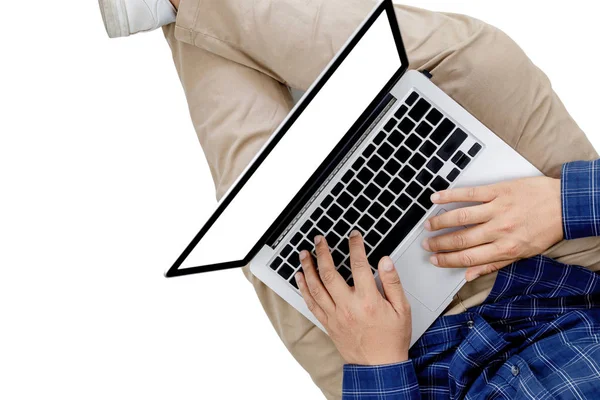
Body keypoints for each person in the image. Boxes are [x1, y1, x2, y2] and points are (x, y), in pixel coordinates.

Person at [98, 0, 600, 398]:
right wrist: (563, 204)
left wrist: (378, 362)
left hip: (411, 364)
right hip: (575, 268)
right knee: (478, 60)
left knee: (265, 211)